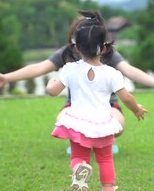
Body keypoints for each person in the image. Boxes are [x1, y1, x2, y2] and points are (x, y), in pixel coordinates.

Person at [0, 11, 154, 148]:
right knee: (63, 121)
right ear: (74, 39)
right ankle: (81, 144)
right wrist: (6, 78)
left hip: (106, 106)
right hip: (75, 106)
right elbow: (39, 67)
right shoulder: (67, 54)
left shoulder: (108, 54)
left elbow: (128, 70)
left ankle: (99, 142)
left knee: (117, 125)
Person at [46, 10, 147, 191]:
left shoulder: (69, 69)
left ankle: (80, 170)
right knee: (105, 158)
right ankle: (107, 188)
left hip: (77, 122)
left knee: (78, 157)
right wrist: (137, 109)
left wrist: (50, 83)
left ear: (77, 48)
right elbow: (126, 98)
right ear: (105, 48)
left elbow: (53, 92)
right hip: (103, 124)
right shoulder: (112, 74)